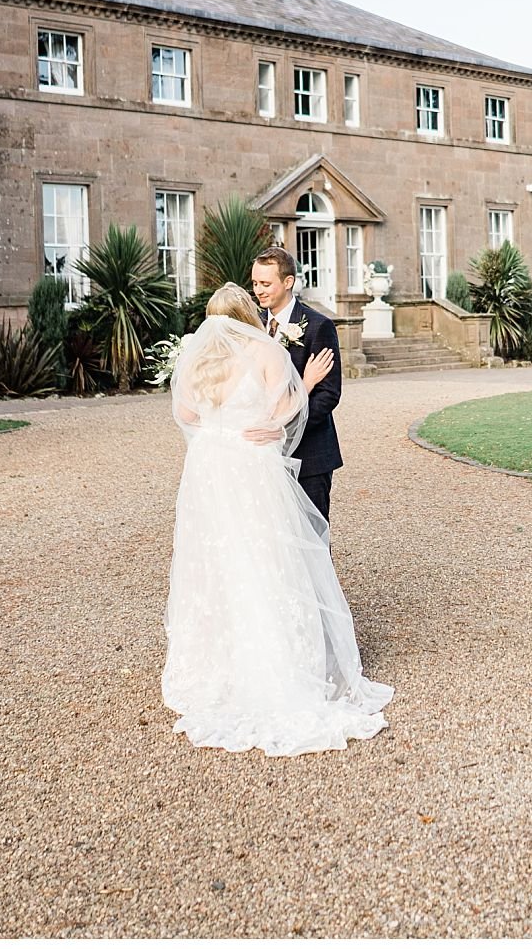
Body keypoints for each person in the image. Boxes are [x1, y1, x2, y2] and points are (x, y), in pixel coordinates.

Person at [160, 282, 392, 756]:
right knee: (267, 554)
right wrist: (303, 386)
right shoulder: (263, 352)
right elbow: (283, 412)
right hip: (249, 465)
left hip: (208, 467)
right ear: (246, 313)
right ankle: (279, 660)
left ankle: (217, 666)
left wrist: (217, 429)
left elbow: (185, 412)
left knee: (215, 558)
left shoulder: (198, 358)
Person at [248, 245, 344, 523]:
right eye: (255, 283)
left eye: (266, 283)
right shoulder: (253, 326)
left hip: (310, 452)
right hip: (265, 453)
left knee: (312, 532)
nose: (259, 290)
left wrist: (285, 426)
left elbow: (328, 395)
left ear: (288, 282)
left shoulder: (318, 326)